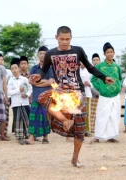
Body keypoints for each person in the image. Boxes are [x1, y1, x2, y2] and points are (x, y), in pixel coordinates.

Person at [29, 26, 114, 167]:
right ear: (56, 37)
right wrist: (38, 76)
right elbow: (44, 71)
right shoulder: (50, 54)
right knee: (42, 97)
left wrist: (104, 78)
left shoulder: (78, 51)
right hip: (60, 93)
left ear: (71, 38)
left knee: (80, 129)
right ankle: (64, 120)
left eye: (67, 39)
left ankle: (75, 158)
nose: (64, 41)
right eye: (61, 39)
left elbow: (90, 67)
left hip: (77, 93)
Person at [91, 42, 122, 143]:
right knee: (101, 115)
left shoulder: (117, 67)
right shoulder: (99, 66)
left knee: (114, 115)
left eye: (111, 52)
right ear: (104, 54)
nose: (110, 54)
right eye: (107, 52)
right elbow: (93, 79)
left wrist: (119, 87)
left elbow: (120, 79)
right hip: (104, 95)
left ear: (114, 53)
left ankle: (112, 136)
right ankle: (98, 136)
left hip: (115, 95)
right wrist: (100, 88)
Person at [25, 46, 54, 145]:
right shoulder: (34, 68)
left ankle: (45, 138)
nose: (42, 55)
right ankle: (31, 138)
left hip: (46, 97)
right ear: (38, 55)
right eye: (40, 53)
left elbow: (50, 82)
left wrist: (37, 81)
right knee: (33, 117)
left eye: (44, 54)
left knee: (45, 117)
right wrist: (42, 82)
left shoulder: (50, 68)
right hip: (36, 97)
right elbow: (30, 81)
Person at [8, 58, 32, 144]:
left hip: (24, 102)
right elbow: (9, 92)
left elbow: (30, 88)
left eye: (15, 68)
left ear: (19, 68)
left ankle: (29, 135)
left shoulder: (24, 79)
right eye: (12, 69)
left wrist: (27, 95)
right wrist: (18, 90)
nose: (14, 70)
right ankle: (19, 137)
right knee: (18, 119)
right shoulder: (11, 80)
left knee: (26, 118)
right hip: (16, 103)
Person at [80, 62, 92, 137]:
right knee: (78, 113)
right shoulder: (76, 70)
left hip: (87, 93)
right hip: (78, 94)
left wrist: (89, 84)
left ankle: (87, 130)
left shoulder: (89, 71)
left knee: (86, 113)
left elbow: (93, 82)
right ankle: (79, 130)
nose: (82, 63)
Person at [90, 53, 101, 133]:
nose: (96, 61)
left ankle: (100, 128)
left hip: (103, 93)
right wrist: (96, 92)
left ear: (99, 60)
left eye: (97, 60)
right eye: (94, 60)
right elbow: (91, 83)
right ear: (92, 62)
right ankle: (93, 128)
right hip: (93, 94)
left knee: (101, 111)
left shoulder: (102, 70)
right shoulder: (90, 70)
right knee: (93, 112)